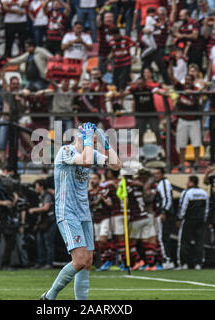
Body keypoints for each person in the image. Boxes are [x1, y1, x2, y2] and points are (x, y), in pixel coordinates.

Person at [40, 122, 122, 300]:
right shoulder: (66, 151)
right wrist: (87, 141)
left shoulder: (90, 152)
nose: (93, 141)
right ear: (81, 136)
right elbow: (85, 162)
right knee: (79, 260)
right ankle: (49, 296)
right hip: (67, 212)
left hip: (84, 213)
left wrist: (106, 144)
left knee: (87, 263)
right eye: (91, 137)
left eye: (94, 138)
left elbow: (116, 165)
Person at [176, 175, 209, 270]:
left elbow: (183, 207)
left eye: (187, 181)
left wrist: (180, 218)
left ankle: (184, 263)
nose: (186, 183)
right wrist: (204, 219)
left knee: (184, 241)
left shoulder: (187, 193)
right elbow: (206, 208)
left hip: (189, 220)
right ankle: (198, 263)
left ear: (191, 182)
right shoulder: (204, 193)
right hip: (200, 220)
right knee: (199, 242)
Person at [88, 173, 113, 270]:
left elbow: (110, 203)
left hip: (104, 217)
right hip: (95, 219)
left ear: (99, 180)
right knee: (98, 242)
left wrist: (106, 202)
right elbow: (88, 204)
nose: (92, 180)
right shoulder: (89, 193)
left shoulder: (104, 191)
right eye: (91, 178)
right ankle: (105, 261)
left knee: (103, 239)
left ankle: (109, 260)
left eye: (94, 178)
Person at [29, 179, 56, 269]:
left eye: (36, 186)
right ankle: (41, 262)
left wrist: (34, 210)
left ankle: (49, 263)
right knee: (40, 242)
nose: (35, 188)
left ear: (41, 186)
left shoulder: (47, 195)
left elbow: (46, 208)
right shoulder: (41, 196)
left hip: (50, 221)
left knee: (48, 242)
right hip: (43, 222)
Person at [151, 167, 175, 269]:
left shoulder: (164, 183)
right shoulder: (159, 183)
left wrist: (164, 212)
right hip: (161, 213)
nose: (156, 176)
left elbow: (167, 198)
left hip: (165, 214)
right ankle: (164, 259)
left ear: (163, 174)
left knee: (163, 236)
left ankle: (167, 259)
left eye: (158, 173)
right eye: (154, 174)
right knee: (162, 236)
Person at [108, 27, 137, 91]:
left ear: (119, 34)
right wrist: (110, 55)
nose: (114, 37)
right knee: (115, 78)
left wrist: (134, 56)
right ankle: (116, 92)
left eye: (115, 35)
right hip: (117, 62)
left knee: (123, 77)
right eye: (113, 35)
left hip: (126, 62)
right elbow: (113, 51)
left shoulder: (126, 39)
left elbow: (135, 45)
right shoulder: (111, 41)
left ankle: (121, 91)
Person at [96, 10, 115, 76]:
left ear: (113, 18)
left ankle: (112, 84)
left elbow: (117, 42)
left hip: (112, 53)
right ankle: (102, 85)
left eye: (110, 17)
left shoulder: (115, 28)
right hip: (102, 52)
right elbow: (98, 20)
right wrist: (103, 9)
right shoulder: (102, 27)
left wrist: (112, 53)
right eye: (107, 17)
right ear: (104, 19)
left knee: (114, 71)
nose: (108, 19)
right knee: (100, 72)